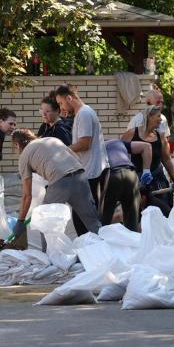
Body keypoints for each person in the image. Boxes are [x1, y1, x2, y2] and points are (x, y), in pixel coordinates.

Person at [10, 130, 102, 238]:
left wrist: (20, 221)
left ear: (17, 145)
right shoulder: (52, 140)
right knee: (92, 221)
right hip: (80, 176)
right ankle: (106, 250)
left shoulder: (24, 156)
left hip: (60, 182)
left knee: (45, 221)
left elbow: (27, 196)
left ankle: (48, 253)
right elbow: (76, 159)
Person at [55, 84, 110, 235]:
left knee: (84, 218)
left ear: (69, 98)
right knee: (82, 216)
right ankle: (88, 248)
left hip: (91, 172)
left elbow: (85, 143)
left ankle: (90, 250)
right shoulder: (81, 113)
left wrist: (62, 151)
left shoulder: (84, 114)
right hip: (88, 170)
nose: (61, 107)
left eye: (61, 103)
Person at [126, 105, 174, 210]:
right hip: (137, 180)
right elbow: (122, 153)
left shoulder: (160, 137)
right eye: (158, 117)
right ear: (149, 116)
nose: (160, 120)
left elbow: (166, 159)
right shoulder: (131, 134)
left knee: (163, 210)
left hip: (157, 180)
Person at [102, 138, 153, 230]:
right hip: (131, 175)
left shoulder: (97, 147)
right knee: (131, 221)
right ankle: (132, 241)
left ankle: (100, 241)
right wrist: (146, 170)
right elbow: (147, 146)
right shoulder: (119, 142)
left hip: (112, 176)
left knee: (104, 220)